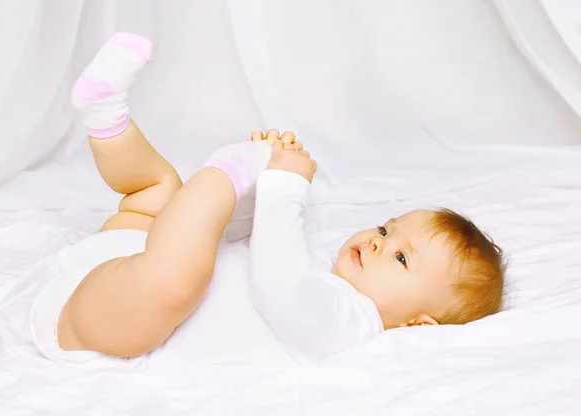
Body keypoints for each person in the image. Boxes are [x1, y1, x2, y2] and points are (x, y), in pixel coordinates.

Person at [30, 33, 505, 365]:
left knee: (180, 279)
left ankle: (227, 167)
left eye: (401, 257)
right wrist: (257, 199)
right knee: (157, 192)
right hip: (131, 258)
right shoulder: (324, 268)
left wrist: (281, 185)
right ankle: (106, 115)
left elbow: (280, 287)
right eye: (386, 229)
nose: (379, 242)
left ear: (420, 325)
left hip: (113, 319)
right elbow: (237, 245)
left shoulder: (352, 326)